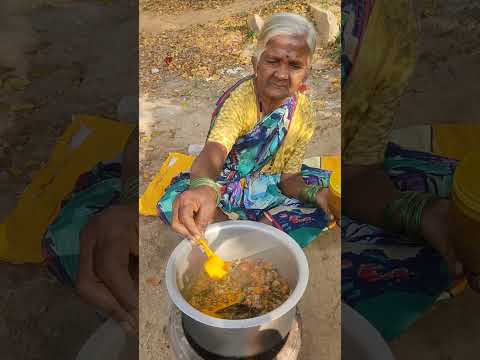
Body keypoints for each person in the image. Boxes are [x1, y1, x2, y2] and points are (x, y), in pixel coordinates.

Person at [341, 0, 477, 341]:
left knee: (461, 205)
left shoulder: (395, 26)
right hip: (246, 181)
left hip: (325, 177)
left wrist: (420, 213)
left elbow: (356, 173)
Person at [158, 13, 335, 246]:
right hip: (225, 185)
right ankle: (252, 233)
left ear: (306, 74)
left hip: (270, 186)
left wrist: (316, 195)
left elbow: (289, 179)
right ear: (256, 64)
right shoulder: (240, 101)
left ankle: (240, 235)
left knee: (328, 199)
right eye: (273, 61)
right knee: (179, 203)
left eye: (294, 65)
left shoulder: (304, 113)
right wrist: (204, 188)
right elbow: (213, 152)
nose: (282, 74)